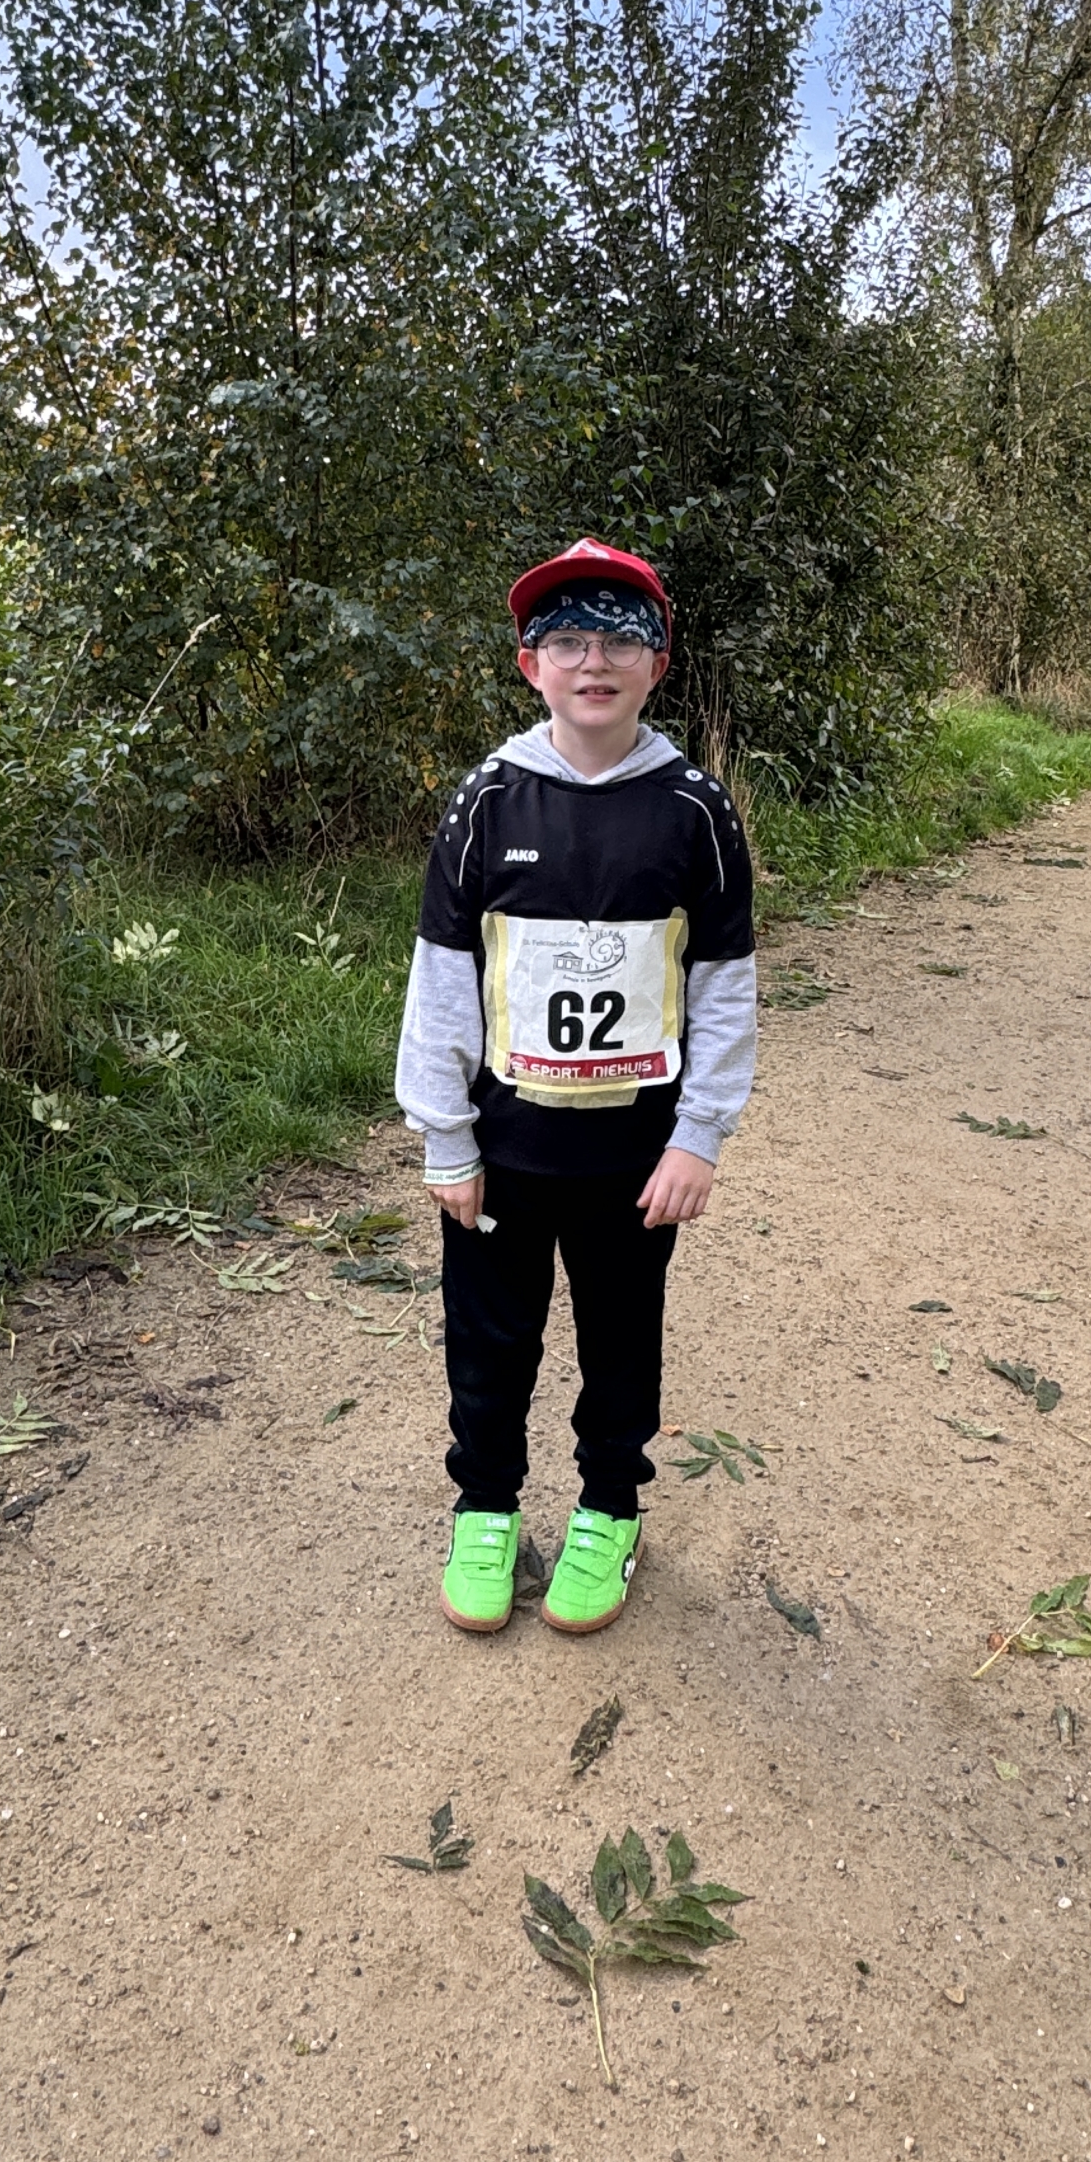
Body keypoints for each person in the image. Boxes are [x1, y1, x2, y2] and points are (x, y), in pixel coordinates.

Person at [395, 536, 757, 1637]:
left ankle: (608, 1510)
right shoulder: (486, 805)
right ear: (530, 666)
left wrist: (699, 1135)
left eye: (619, 640)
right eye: (566, 642)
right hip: (503, 1153)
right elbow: (442, 981)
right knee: (489, 1343)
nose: (593, 661)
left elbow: (724, 987)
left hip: (634, 1164)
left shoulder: (696, 811)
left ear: (659, 665)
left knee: (620, 1340)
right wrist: (446, 1136)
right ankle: (485, 1509)